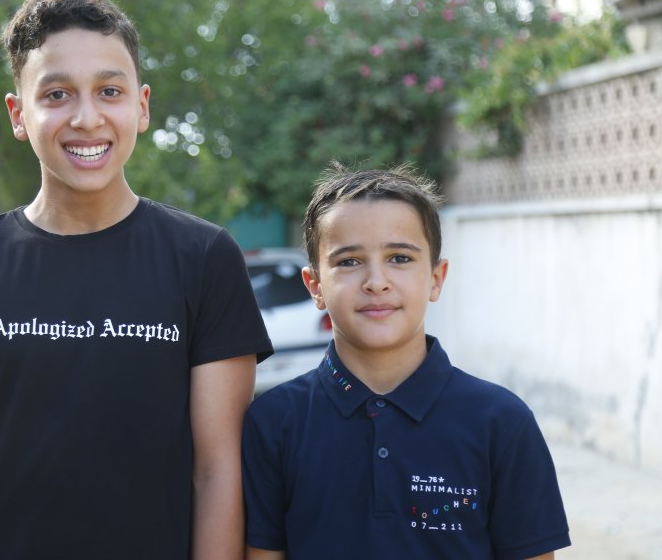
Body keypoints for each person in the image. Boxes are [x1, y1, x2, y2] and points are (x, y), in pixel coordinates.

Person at [0, 0, 273, 559]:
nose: (87, 117)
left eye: (109, 91)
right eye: (57, 94)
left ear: (141, 107)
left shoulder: (204, 259)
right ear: (18, 114)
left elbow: (218, 472)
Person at [241, 163, 571, 559]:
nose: (376, 282)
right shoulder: (273, 422)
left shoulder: (502, 422)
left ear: (436, 278)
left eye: (399, 258)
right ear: (315, 286)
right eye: (348, 261)